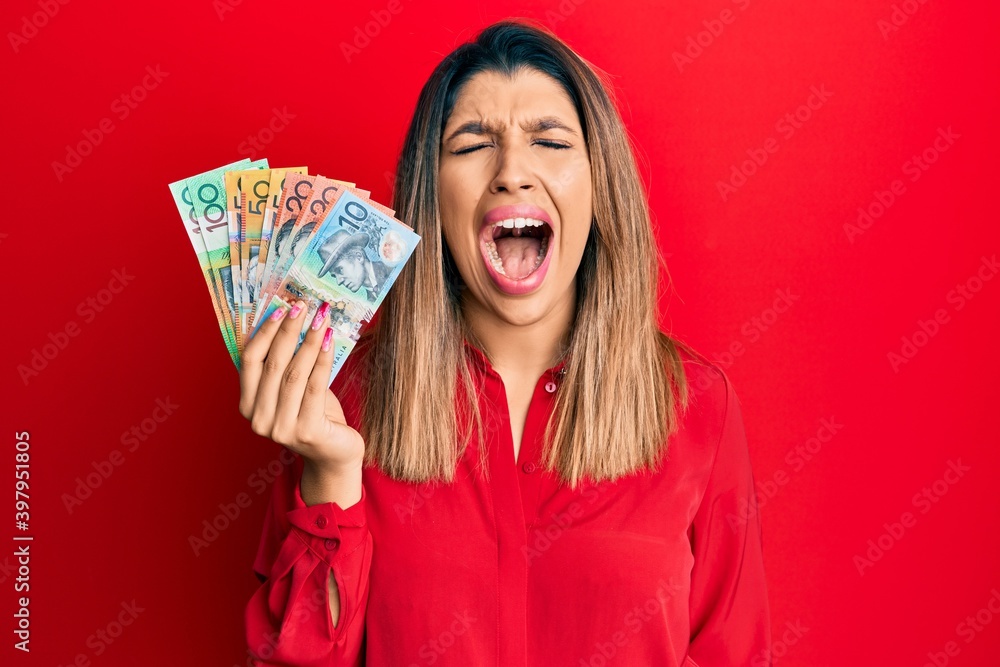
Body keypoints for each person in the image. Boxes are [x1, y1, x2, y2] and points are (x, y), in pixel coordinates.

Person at [239, 20, 771, 667]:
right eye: (471, 145)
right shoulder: (341, 395)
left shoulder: (700, 408)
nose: (512, 172)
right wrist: (329, 473)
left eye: (549, 141)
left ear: (601, 186)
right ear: (431, 196)